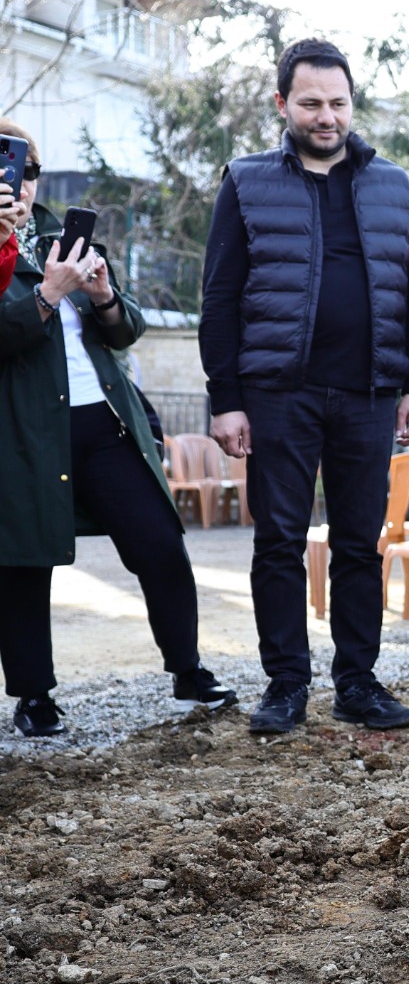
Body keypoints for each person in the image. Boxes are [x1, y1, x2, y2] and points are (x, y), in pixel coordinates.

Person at [199, 39, 409, 735]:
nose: (326, 116)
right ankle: (285, 685)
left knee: (362, 542)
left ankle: (358, 682)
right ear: (283, 104)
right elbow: (219, 299)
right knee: (279, 540)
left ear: (351, 104)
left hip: (368, 394)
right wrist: (226, 397)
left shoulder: (394, 185)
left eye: (338, 103)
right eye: (311, 103)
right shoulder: (244, 182)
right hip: (278, 392)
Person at [0, 117, 236, 736]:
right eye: (6, 173)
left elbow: (126, 330)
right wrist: (48, 294)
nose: (20, 186)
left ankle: (187, 667)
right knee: (24, 562)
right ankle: (34, 696)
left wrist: (102, 294)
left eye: (28, 173)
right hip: (23, 430)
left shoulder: (59, 236)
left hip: (104, 423)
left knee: (159, 540)